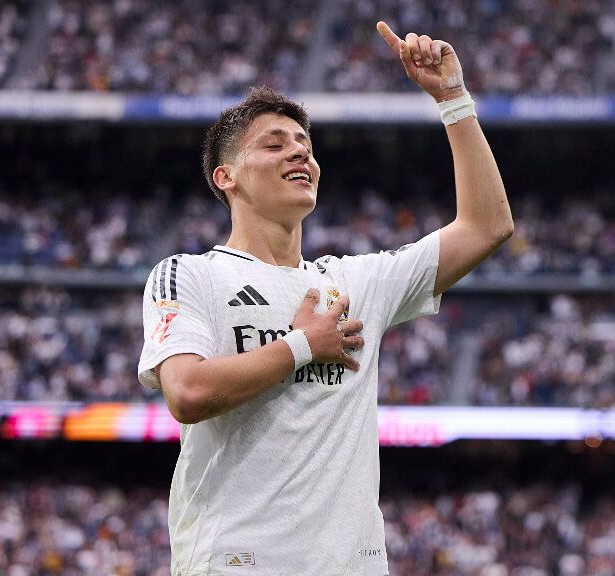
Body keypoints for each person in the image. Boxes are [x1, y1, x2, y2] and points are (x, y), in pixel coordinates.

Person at [137, 21, 513, 575]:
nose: (300, 155)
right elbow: (188, 393)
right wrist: (302, 345)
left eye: (305, 146)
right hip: (241, 563)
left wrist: (453, 99)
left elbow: (486, 226)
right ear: (226, 177)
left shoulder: (356, 284)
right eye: (275, 144)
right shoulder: (187, 275)